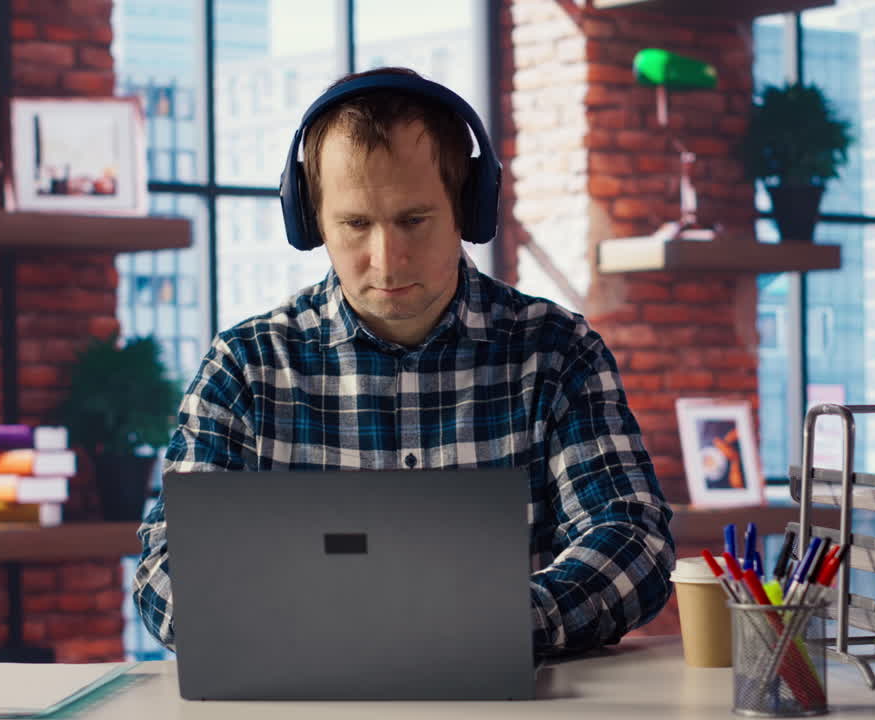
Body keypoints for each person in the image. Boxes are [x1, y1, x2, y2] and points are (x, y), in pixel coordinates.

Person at [133, 67, 675, 660]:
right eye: (355, 224)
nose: (387, 260)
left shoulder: (558, 352)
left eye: (414, 220)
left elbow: (632, 540)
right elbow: (167, 571)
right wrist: (327, 630)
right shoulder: (245, 368)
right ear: (311, 220)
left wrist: (494, 624)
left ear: (468, 207)